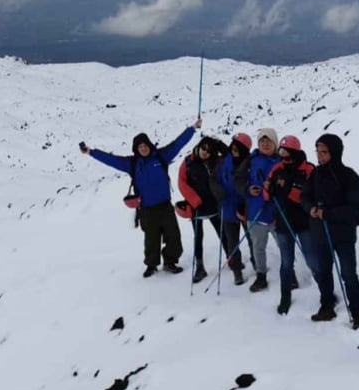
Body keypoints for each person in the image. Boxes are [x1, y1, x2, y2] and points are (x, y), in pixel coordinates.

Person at [84, 119, 201, 277]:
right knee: (151, 240)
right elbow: (111, 160)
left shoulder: (161, 157)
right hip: (146, 209)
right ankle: (151, 265)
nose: (143, 148)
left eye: (145, 145)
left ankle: (170, 262)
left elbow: (178, 144)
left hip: (165, 206)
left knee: (173, 237)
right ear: (136, 149)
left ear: (149, 145)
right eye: (140, 147)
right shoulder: (132, 164)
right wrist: (91, 152)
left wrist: (192, 129)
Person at [299, 133, 359, 324]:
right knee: (324, 272)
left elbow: (355, 208)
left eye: (324, 152)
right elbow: (305, 196)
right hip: (320, 234)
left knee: (348, 273)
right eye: (318, 152)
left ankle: (357, 311)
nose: (320, 156)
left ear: (335, 152)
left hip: (343, 235)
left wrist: (327, 213)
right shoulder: (315, 174)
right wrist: (310, 208)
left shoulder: (349, 176)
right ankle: (326, 306)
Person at [262, 135, 312, 315]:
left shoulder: (307, 169)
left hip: (305, 222)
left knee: (312, 258)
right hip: (283, 222)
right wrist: (268, 189)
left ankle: (325, 292)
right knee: (286, 262)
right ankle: (285, 297)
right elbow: (267, 196)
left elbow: (305, 196)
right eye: (281, 153)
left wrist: (287, 190)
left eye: (286, 154)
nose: (283, 158)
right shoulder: (277, 169)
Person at [177, 137, 226, 284]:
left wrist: (219, 144)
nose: (206, 153)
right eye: (204, 148)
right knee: (198, 237)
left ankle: (231, 257)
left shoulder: (216, 161)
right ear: (198, 147)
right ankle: (200, 267)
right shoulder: (187, 163)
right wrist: (194, 200)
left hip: (213, 205)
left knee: (222, 233)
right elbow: (182, 183)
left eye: (210, 151)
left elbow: (229, 155)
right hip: (196, 207)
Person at [242, 128, 282, 292]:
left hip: (277, 212)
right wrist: (248, 189)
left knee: (283, 244)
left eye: (269, 141)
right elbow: (238, 180)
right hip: (256, 210)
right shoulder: (251, 160)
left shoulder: (282, 160)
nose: (265, 144)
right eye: (262, 141)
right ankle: (261, 275)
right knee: (258, 246)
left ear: (275, 143)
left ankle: (289, 272)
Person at [212, 133, 251, 286]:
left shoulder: (250, 163)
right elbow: (213, 179)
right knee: (232, 242)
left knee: (251, 238)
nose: (234, 150)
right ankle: (236, 270)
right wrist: (219, 193)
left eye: (238, 148)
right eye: (232, 147)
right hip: (228, 207)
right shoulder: (223, 162)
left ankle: (257, 263)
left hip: (245, 207)